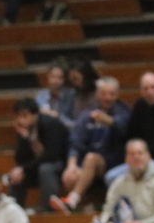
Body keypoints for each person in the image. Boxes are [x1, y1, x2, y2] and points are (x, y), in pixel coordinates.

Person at [52, 76, 130, 214]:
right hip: (88, 165)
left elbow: (125, 129)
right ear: (97, 94)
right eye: (104, 93)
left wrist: (109, 122)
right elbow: (76, 142)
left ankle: (73, 199)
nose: (108, 98)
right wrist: (71, 166)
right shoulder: (87, 114)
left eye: (112, 94)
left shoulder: (123, 111)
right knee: (71, 176)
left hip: (114, 162)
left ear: (117, 94)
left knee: (91, 158)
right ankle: (81, 211)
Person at [7, 97, 68, 212]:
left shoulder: (50, 124)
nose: (21, 120)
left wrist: (24, 168)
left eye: (24, 115)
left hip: (61, 163)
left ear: (35, 115)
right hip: (38, 165)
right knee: (15, 175)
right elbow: (19, 159)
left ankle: (48, 210)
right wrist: (24, 139)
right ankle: (13, 212)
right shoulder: (24, 129)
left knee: (45, 169)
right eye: (18, 116)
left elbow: (52, 155)